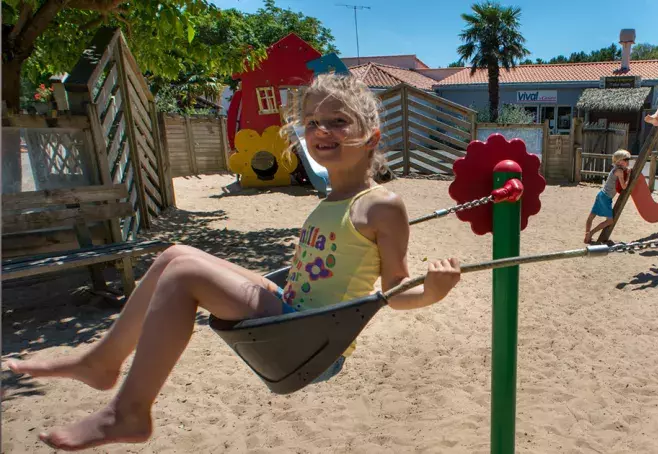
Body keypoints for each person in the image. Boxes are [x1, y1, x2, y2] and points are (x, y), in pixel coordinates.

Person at [4, 74, 463, 451]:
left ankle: (128, 411)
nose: (322, 130)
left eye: (338, 121)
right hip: (289, 312)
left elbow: (393, 292)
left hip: (310, 341)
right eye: (312, 122)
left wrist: (434, 292)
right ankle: (101, 360)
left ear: (371, 138)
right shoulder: (330, 199)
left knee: (185, 275)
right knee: (174, 255)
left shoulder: (381, 204)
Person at [585, 149, 630, 244]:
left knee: (591, 216)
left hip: (601, 194)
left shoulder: (616, 168)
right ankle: (591, 233)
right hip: (606, 197)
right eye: (626, 159)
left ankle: (586, 235)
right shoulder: (619, 171)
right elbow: (624, 186)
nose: (628, 161)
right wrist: (629, 175)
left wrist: (626, 170)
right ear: (619, 161)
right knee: (609, 221)